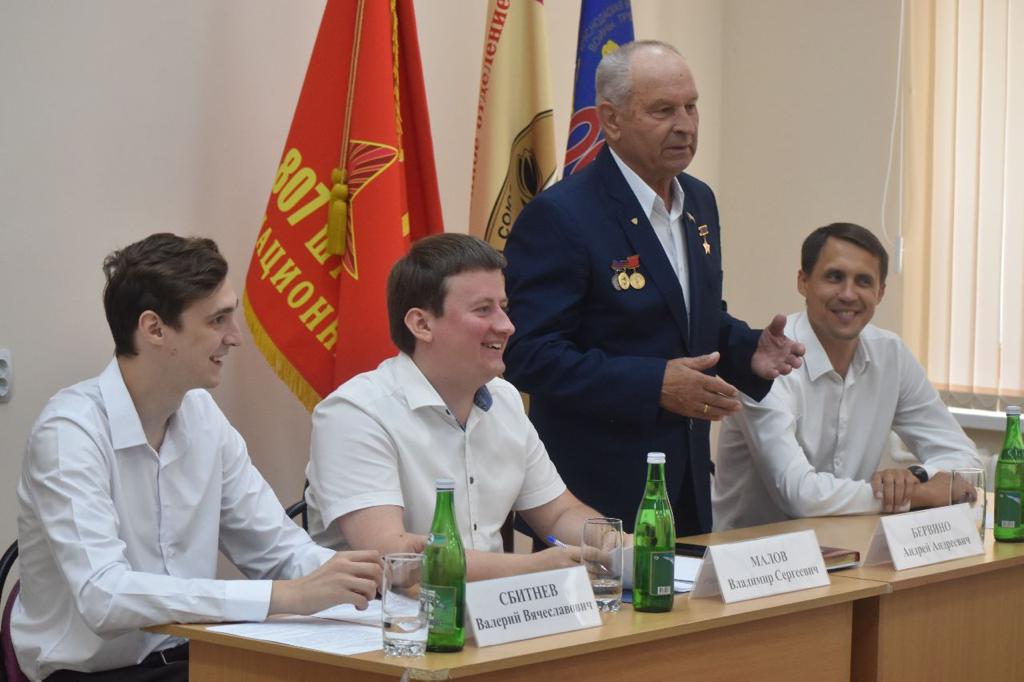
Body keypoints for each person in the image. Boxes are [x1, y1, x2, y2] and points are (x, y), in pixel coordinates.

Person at [12, 234, 382, 682]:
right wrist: (286, 597)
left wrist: (372, 581)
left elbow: (277, 548)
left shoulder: (204, 417)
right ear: (154, 329)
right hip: (92, 674)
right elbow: (103, 596)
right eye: (218, 320)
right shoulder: (68, 432)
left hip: (192, 660)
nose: (235, 337)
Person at [502, 40, 804, 536]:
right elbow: (527, 354)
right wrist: (653, 384)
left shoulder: (699, 201)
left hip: (685, 484)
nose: (685, 125)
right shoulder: (562, 216)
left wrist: (747, 349)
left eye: (692, 106)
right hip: (595, 497)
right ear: (611, 119)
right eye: (664, 110)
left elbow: (692, 320)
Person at [305, 233, 611, 580]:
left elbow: (558, 514)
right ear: (422, 324)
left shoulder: (505, 399)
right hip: (385, 610)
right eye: (483, 310)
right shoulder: (355, 413)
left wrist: (620, 546)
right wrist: (532, 568)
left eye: (504, 307)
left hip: (494, 606)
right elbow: (394, 558)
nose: (507, 326)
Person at [713, 223, 982, 530]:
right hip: (754, 553)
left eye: (863, 281)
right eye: (834, 277)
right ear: (803, 282)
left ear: (880, 293)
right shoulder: (768, 361)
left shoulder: (891, 354)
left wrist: (916, 477)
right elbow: (799, 496)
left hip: (847, 547)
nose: (848, 294)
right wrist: (917, 495)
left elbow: (964, 459)